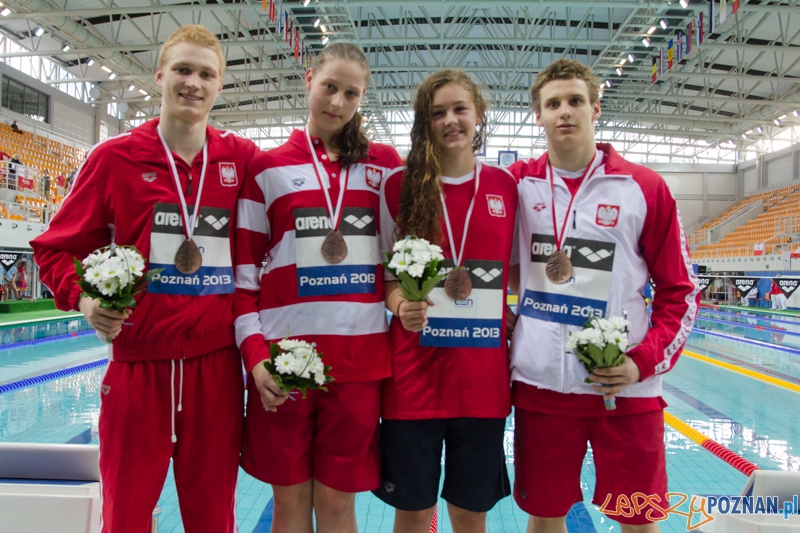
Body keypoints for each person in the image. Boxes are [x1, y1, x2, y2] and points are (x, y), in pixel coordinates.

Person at [31, 24, 257, 533]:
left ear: (220, 86)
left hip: (215, 369)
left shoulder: (240, 159)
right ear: (160, 75)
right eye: (183, 70)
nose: (193, 83)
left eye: (206, 74)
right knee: (127, 517)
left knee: (213, 520)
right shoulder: (114, 159)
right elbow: (54, 249)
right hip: (138, 366)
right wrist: (85, 302)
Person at [507, 58, 699, 532]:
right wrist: (517, 324)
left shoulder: (644, 187)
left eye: (575, 101)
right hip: (542, 388)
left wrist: (641, 361)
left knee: (638, 518)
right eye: (553, 104)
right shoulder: (516, 184)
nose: (565, 112)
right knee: (545, 517)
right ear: (539, 115)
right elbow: (495, 266)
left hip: (625, 388)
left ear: (596, 107)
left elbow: (681, 292)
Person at [234, 42, 402, 532]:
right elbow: (245, 280)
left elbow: (398, 259)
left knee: (336, 507)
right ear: (310, 79)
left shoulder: (384, 165)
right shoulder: (265, 169)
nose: (337, 102)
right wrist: (257, 359)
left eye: (351, 93)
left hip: (360, 364)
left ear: (362, 98)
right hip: (285, 363)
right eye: (330, 86)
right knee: (288, 506)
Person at [372, 70, 517, 532]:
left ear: (479, 115)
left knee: (470, 513)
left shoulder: (507, 187)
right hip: (413, 380)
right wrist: (399, 305)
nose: (451, 121)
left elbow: (520, 273)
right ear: (424, 122)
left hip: (482, 383)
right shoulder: (398, 186)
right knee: (413, 512)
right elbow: (385, 274)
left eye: (460, 109)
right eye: (438, 113)